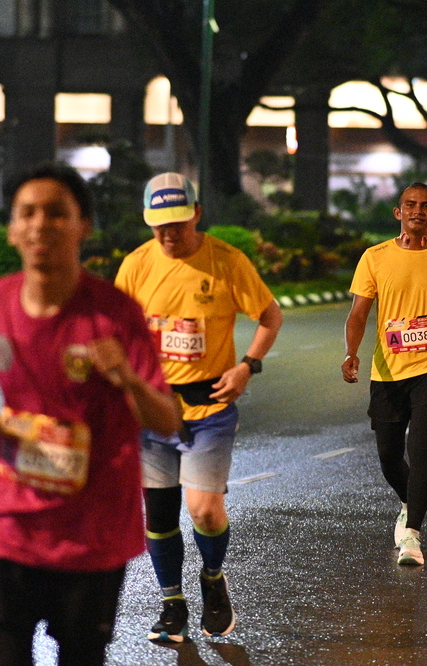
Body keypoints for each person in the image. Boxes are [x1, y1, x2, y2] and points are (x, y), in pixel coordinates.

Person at [0, 163, 181, 666]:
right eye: (28, 213)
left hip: (93, 527)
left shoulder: (114, 313)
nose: (41, 224)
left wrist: (126, 377)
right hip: (15, 519)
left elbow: (166, 419)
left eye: (57, 213)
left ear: (84, 226)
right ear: (12, 229)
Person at [115, 172, 283, 642]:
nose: (169, 233)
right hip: (152, 408)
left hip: (209, 406)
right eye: (159, 225)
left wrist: (247, 365)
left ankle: (212, 577)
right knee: (159, 515)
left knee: (204, 510)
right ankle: (172, 604)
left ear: (197, 214)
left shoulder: (227, 262)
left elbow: (270, 316)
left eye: (178, 222)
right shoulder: (135, 266)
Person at [342, 182, 427, 566]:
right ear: (398, 212)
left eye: (425, 206)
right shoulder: (374, 257)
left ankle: (413, 536)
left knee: (420, 448)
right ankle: (409, 501)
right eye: (410, 205)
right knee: (389, 455)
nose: (417, 211)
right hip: (388, 370)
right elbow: (358, 314)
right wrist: (351, 353)